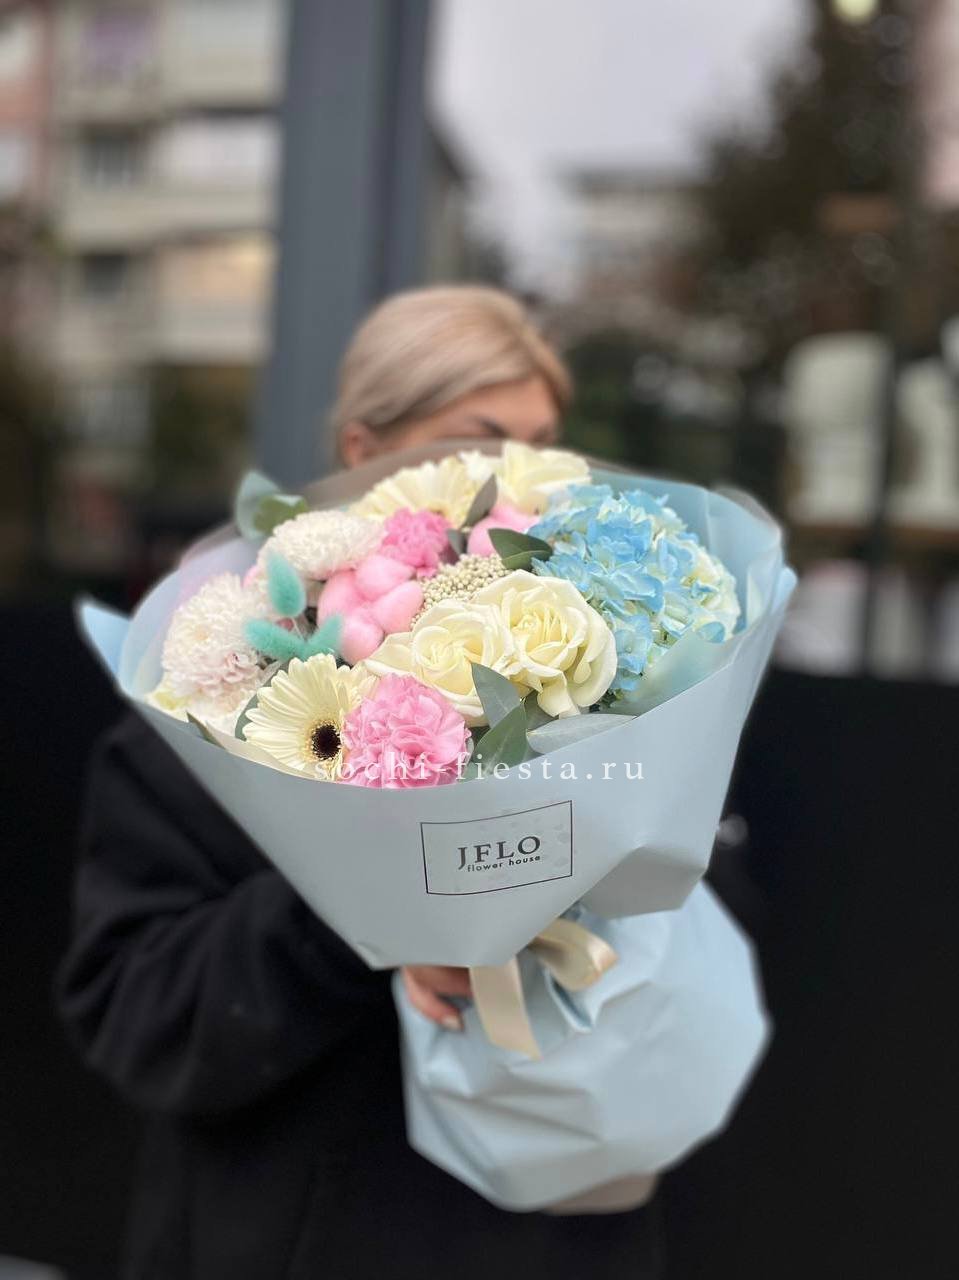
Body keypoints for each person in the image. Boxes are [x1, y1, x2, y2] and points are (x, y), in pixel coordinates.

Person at [57, 286, 666, 1280]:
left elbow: (701, 889)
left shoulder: (611, 669)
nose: (520, 476)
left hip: (550, 1233)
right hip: (295, 1231)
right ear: (364, 450)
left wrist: (592, 903)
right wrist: (360, 915)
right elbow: (138, 1014)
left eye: (541, 443)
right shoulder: (212, 698)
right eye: (479, 439)